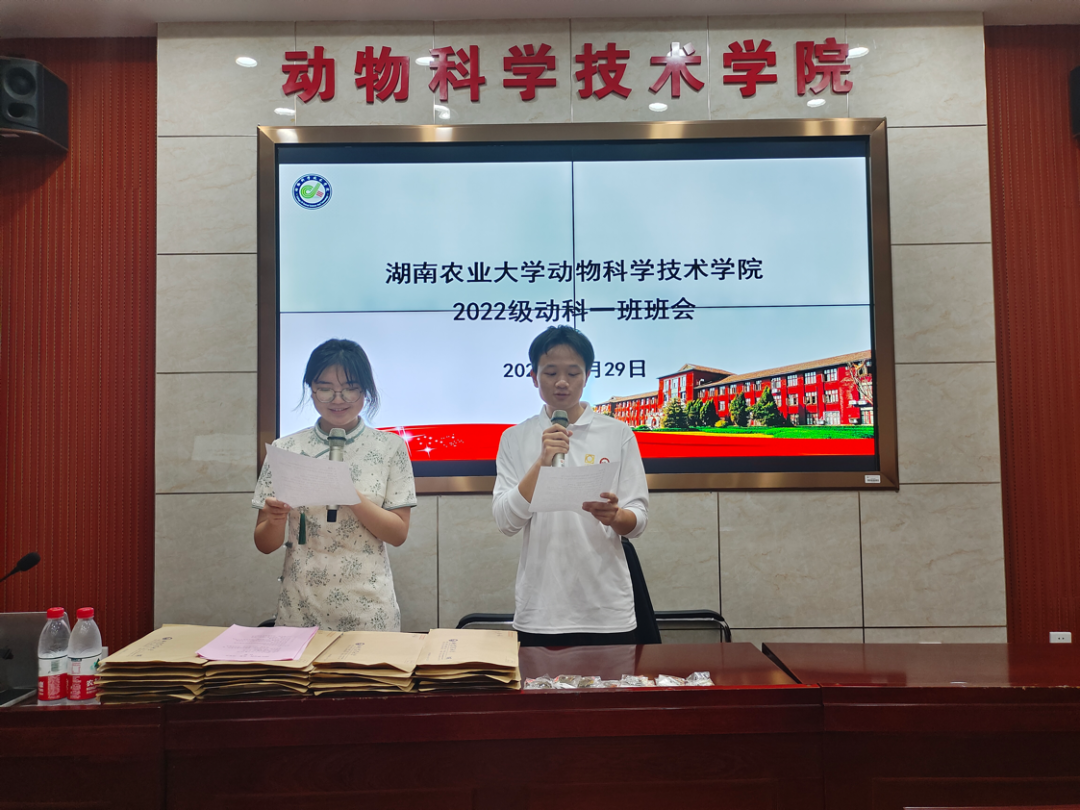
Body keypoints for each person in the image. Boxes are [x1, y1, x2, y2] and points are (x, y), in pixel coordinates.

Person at [492, 326, 649, 647]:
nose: (562, 382)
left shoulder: (617, 433)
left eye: (573, 373)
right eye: (550, 373)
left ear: (587, 376)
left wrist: (616, 516)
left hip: (607, 610)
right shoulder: (514, 438)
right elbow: (506, 521)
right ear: (534, 377)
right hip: (541, 611)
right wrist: (542, 462)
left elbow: (638, 520)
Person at [253, 338, 415, 632]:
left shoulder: (390, 447)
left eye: (350, 388)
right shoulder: (286, 449)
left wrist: (348, 493)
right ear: (311, 389)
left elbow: (398, 534)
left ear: (365, 390)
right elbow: (264, 544)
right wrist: (275, 520)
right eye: (325, 388)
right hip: (300, 606)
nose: (337, 399)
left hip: (368, 609)